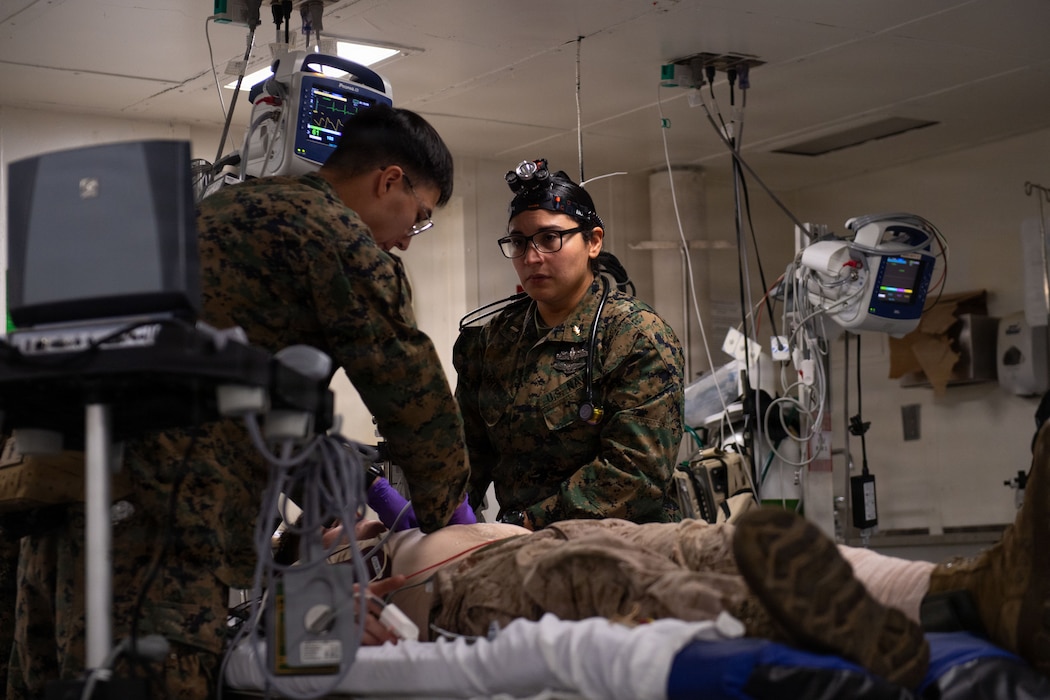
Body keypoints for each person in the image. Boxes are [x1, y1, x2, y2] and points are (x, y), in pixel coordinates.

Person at [7, 104, 471, 699]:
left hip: (56, 501)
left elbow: (250, 399)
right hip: (159, 531)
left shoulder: (219, 210)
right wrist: (447, 517)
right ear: (389, 180)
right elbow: (414, 397)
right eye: (420, 216)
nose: (409, 237)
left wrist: (337, 483)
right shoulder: (335, 236)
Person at [328, 418, 1050, 690]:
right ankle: (802, 628)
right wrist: (339, 588)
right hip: (472, 583)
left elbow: (433, 495)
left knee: (715, 542)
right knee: (605, 582)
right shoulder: (315, 571)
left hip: (555, 528)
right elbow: (277, 629)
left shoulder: (394, 520)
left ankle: (983, 591)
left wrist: (372, 491)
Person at [453, 159, 685, 529]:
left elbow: (636, 472)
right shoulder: (493, 340)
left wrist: (527, 523)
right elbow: (467, 451)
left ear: (593, 241)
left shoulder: (636, 336)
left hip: (621, 550)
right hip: (520, 548)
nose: (531, 257)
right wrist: (439, 516)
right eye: (518, 242)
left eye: (549, 238)